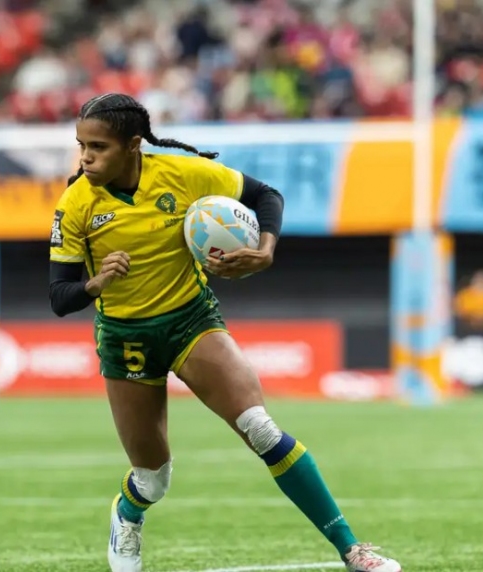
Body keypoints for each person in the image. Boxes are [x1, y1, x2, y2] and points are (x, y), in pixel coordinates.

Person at [49, 93, 402, 572]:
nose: (85, 158)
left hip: (190, 322)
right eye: (81, 145)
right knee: (153, 479)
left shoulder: (184, 174)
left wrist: (266, 248)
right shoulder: (75, 205)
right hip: (125, 339)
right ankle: (127, 513)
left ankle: (352, 549)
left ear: (134, 145)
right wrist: (97, 282)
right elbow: (60, 296)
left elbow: (265, 196)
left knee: (260, 427)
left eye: (98, 147)